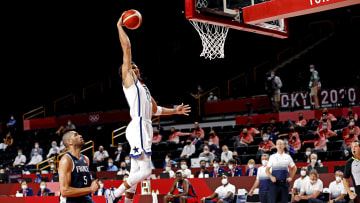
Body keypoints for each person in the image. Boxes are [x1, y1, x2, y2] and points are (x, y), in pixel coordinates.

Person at [104, 15, 191, 203]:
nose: (135, 69)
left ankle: (125, 201)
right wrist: (120, 26)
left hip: (145, 125)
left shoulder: (143, 87)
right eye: (131, 67)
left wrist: (174, 111)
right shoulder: (128, 81)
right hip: (138, 125)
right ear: (125, 72)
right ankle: (113, 194)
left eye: (136, 68)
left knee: (135, 172)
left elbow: (155, 110)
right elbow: (126, 48)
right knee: (146, 170)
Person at [59, 131, 100, 203]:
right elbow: (64, 191)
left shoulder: (86, 158)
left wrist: (93, 185)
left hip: (86, 199)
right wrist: (90, 189)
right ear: (69, 142)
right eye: (76, 135)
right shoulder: (66, 160)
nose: (80, 135)